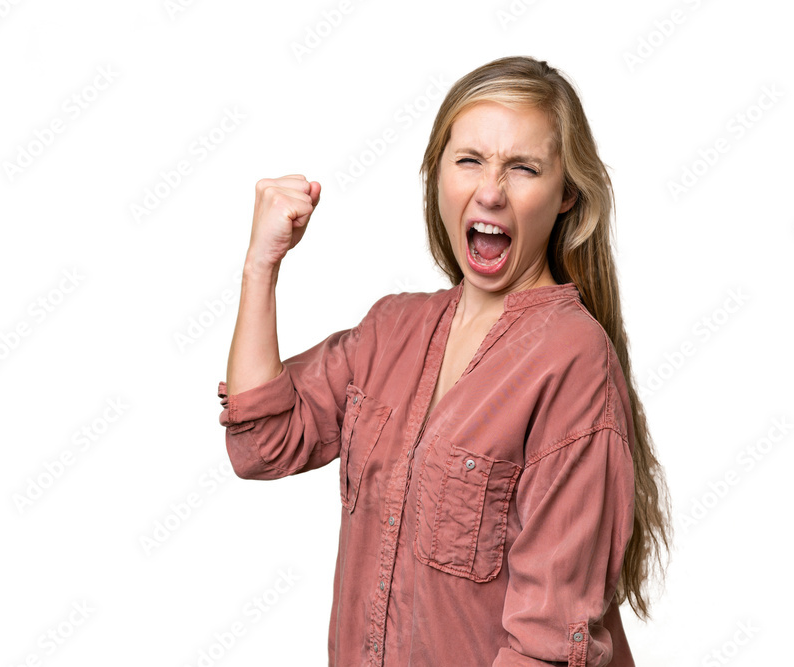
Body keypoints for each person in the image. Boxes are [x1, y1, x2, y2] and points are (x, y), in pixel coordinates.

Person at [217, 55, 671, 666]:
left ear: (566, 194)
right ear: (438, 175)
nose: (490, 190)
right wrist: (260, 266)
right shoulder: (390, 329)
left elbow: (545, 645)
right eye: (470, 160)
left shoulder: (573, 360)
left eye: (523, 168)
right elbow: (262, 442)